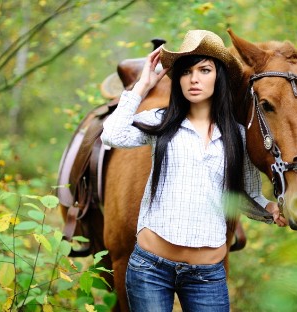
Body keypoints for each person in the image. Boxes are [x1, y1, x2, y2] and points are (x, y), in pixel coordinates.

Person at [101, 29, 287, 312]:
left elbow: (246, 195)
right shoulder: (161, 122)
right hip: (150, 268)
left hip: (207, 274)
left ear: (219, 76)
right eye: (186, 71)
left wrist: (270, 210)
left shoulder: (237, 135)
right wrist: (142, 86)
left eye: (204, 69)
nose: (194, 78)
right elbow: (112, 135)